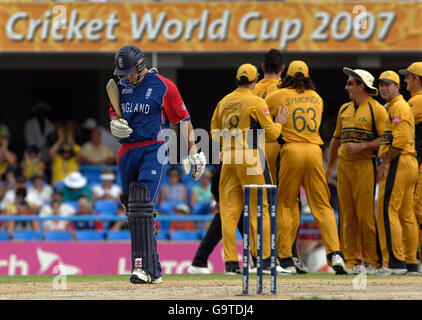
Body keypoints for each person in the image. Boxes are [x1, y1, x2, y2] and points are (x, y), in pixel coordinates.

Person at [109, 45, 206, 284]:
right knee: (133, 211)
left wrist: (193, 149)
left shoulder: (163, 85)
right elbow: (114, 111)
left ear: (141, 66)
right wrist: (114, 123)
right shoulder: (120, 86)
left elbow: (183, 120)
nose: (127, 76)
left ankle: (140, 267)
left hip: (155, 147)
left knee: (142, 201)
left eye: (131, 71)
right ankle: (154, 270)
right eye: (124, 73)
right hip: (126, 150)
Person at [266, 60, 348, 275]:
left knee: (286, 205)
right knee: (322, 206)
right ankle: (335, 253)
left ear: (288, 76)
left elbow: (268, 124)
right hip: (313, 151)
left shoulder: (276, 96)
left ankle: (285, 258)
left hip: (291, 151)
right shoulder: (317, 98)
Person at [210, 63, 289, 274]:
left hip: (228, 159)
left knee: (228, 212)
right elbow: (272, 134)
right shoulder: (256, 101)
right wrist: (279, 122)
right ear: (255, 81)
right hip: (250, 158)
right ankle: (264, 260)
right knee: (259, 208)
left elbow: (214, 133)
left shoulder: (224, 101)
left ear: (237, 81)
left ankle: (231, 263)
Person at [326, 67, 387, 274]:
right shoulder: (344, 109)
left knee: (365, 216)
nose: (346, 87)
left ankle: (371, 261)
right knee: (346, 214)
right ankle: (350, 260)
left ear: (362, 85)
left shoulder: (377, 110)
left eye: (350, 83)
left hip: (365, 166)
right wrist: (330, 167)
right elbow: (335, 140)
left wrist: (363, 146)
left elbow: (386, 139)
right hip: (344, 167)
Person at [374, 70, 419, 275]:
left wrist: (386, 163)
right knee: (405, 214)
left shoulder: (399, 106)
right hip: (408, 162)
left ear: (397, 87)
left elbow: (399, 141)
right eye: (381, 85)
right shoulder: (397, 106)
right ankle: (411, 262)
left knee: (387, 210)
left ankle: (395, 262)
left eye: (388, 85)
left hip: (398, 161)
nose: (384, 88)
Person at [401, 62, 422, 261]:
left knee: (418, 209)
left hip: (420, 162)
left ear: (416, 79)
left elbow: (395, 121)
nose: (405, 80)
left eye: (407, 76)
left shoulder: (418, 101)